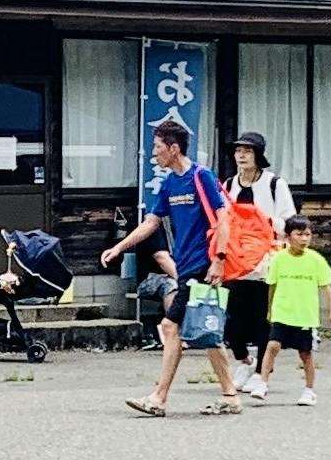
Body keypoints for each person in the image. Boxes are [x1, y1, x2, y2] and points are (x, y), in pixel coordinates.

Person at [102, 120, 239, 416]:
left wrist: (219, 259)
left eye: (158, 147)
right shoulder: (169, 184)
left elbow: (223, 218)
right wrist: (119, 247)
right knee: (207, 330)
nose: (154, 154)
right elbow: (151, 223)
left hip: (204, 264)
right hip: (186, 264)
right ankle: (230, 395)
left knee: (171, 326)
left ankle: (158, 397)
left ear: (174, 148)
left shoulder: (201, 176)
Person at [220, 131, 296, 399]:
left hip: (266, 260)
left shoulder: (274, 184)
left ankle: (262, 371)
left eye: (247, 151)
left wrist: (261, 221)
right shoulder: (229, 184)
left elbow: (290, 222)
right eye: (238, 150)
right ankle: (244, 360)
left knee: (262, 318)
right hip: (236, 260)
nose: (241, 155)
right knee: (232, 320)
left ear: (258, 155)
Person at [259, 214, 331, 401]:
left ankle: (309, 390)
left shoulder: (315, 259)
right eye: (299, 234)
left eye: (307, 235)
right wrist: (270, 309)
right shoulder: (278, 259)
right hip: (282, 311)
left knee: (305, 353)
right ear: (288, 236)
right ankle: (262, 383)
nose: (304, 239)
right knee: (272, 346)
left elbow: (327, 286)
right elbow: (272, 286)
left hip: (304, 314)